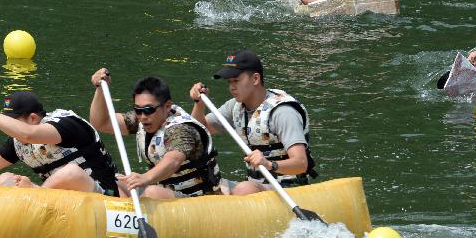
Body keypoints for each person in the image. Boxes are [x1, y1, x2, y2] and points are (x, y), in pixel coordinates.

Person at [189, 50, 318, 196]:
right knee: (204, 183)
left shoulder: (283, 112)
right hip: (255, 186)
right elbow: (198, 132)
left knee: (245, 188)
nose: (231, 87)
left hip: (289, 189)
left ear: (255, 79)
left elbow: (301, 163)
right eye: (229, 81)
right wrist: (199, 103)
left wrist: (269, 164)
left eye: (236, 80)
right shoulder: (235, 106)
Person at [89, 69, 221, 199]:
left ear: (168, 106)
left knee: (153, 192)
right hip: (170, 194)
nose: (143, 116)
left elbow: (173, 160)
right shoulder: (142, 119)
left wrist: (144, 177)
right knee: (116, 180)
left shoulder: (181, 129)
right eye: (138, 110)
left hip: (201, 200)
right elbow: (101, 122)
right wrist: (100, 89)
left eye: (148, 110)